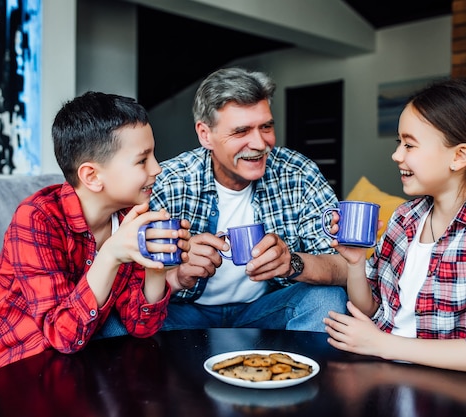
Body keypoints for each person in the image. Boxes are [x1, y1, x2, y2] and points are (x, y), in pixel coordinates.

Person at [0, 91, 190, 382]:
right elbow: (62, 336)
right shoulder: (38, 218)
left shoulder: (128, 218)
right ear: (91, 176)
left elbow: (142, 327)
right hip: (16, 351)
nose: (157, 168)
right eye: (142, 160)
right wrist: (111, 254)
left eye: (153, 155)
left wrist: (157, 269)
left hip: (79, 341)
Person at [323, 78, 466, 375]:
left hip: (444, 387)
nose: (397, 155)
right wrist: (355, 263)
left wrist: (381, 344)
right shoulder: (405, 217)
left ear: (459, 156)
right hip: (384, 372)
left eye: (409, 144)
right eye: (399, 143)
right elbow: (372, 308)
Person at [149, 67, 348, 332]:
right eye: (241, 131)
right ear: (205, 134)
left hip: (264, 309)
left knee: (328, 299)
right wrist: (178, 273)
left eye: (266, 126)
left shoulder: (298, 173)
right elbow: (127, 280)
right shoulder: (168, 181)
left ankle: (305, 374)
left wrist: (292, 263)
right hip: (184, 312)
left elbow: (346, 266)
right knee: (118, 322)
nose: (259, 143)